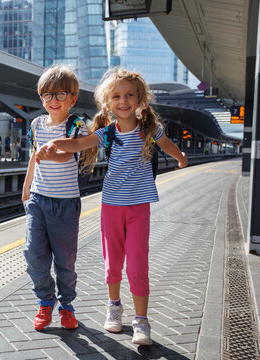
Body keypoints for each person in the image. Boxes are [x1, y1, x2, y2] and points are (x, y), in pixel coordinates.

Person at [37, 67, 188, 345]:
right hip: (111, 208)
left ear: (141, 99)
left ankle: (142, 321)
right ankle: (114, 307)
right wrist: (56, 143)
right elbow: (81, 142)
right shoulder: (107, 133)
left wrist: (181, 158)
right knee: (113, 265)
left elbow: (167, 144)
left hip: (138, 208)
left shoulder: (150, 130)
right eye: (117, 96)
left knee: (138, 265)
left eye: (130, 95)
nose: (124, 100)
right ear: (108, 103)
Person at [22, 64, 88, 331]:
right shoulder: (36, 124)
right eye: (47, 95)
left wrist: (52, 153)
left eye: (60, 95)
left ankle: (67, 306)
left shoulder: (76, 125)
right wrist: (26, 189)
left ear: (72, 98)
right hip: (38, 198)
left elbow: (68, 154)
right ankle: (45, 300)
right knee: (33, 253)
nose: (53, 101)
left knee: (65, 259)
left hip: (66, 202)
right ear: (41, 98)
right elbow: (34, 158)